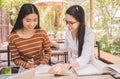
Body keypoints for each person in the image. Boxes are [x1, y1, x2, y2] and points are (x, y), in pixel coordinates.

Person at [48, 5, 95, 74]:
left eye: (71, 23)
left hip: (87, 67)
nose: (68, 25)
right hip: (73, 66)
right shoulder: (68, 32)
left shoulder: (88, 33)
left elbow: (85, 58)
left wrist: (68, 66)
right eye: (66, 22)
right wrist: (51, 42)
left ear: (80, 21)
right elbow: (65, 47)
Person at [8, 3, 51, 69]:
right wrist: (27, 65)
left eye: (35, 20)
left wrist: (40, 64)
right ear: (21, 19)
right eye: (28, 20)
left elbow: (48, 52)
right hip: (24, 70)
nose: (32, 24)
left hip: (41, 68)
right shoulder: (13, 37)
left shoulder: (42, 33)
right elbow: (16, 59)